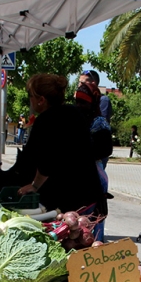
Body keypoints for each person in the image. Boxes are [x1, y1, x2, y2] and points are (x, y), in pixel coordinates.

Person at [13, 74, 103, 214]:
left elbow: (46, 162)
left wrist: (34, 186)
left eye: (31, 95)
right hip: (88, 194)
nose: (30, 99)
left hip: (66, 199)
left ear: (41, 100)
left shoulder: (46, 120)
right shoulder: (74, 113)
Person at [74, 82, 112, 240]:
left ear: (93, 103)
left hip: (94, 177)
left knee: (92, 226)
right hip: (79, 178)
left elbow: (104, 150)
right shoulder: (75, 119)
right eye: (77, 102)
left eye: (84, 102)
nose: (79, 106)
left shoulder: (99, 123)